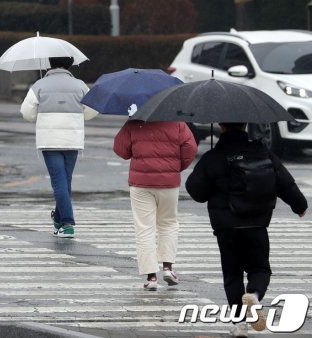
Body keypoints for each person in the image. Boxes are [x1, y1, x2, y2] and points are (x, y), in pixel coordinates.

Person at [185, 123, 307, 337]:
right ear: (246, 125)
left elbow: (196, 191)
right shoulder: (263, 152)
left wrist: (212, 165)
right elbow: (285, 184)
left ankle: (239, 325)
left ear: (221, 126)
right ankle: (254, 295)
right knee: (260, 269)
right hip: (257, 224)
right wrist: (300, 205)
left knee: (232, 275)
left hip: (226, 227)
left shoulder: (215, 156)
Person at [20, 56, 98, 238]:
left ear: (50, 64)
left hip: (49, 140)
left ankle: (68, 223)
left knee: (59, 182)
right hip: (73, 139)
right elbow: (93, 110)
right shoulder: (79, 85)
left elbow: (27, 113)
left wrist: (39, 112)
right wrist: (80, 115)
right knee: (65, 180)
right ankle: (58, 218)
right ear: (69, 64)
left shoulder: (39, 85)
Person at [113, 120, 197, 290]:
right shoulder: (177, 122)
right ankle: (168, 267)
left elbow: (121, 150)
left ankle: (151, 277)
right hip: (169, 183)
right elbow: (190, 148)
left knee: (144, 228)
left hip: (140, 183)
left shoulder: (135, 122)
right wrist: (175, 168)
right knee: (169, 223)